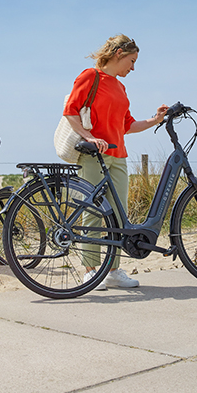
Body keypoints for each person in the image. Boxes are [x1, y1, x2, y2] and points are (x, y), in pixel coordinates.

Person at [62, 35, 168, 290]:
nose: (133, 67)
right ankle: (90, 271)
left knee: (120, 217)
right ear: (119, 53)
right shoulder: (90, 77)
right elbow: (70, 111)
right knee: (94, 213)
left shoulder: (121, 88)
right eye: (132, 61)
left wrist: (155, 119)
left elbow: (128, 125)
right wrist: (90, 136)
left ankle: (113, 271)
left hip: (119, 156)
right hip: (94, 156)